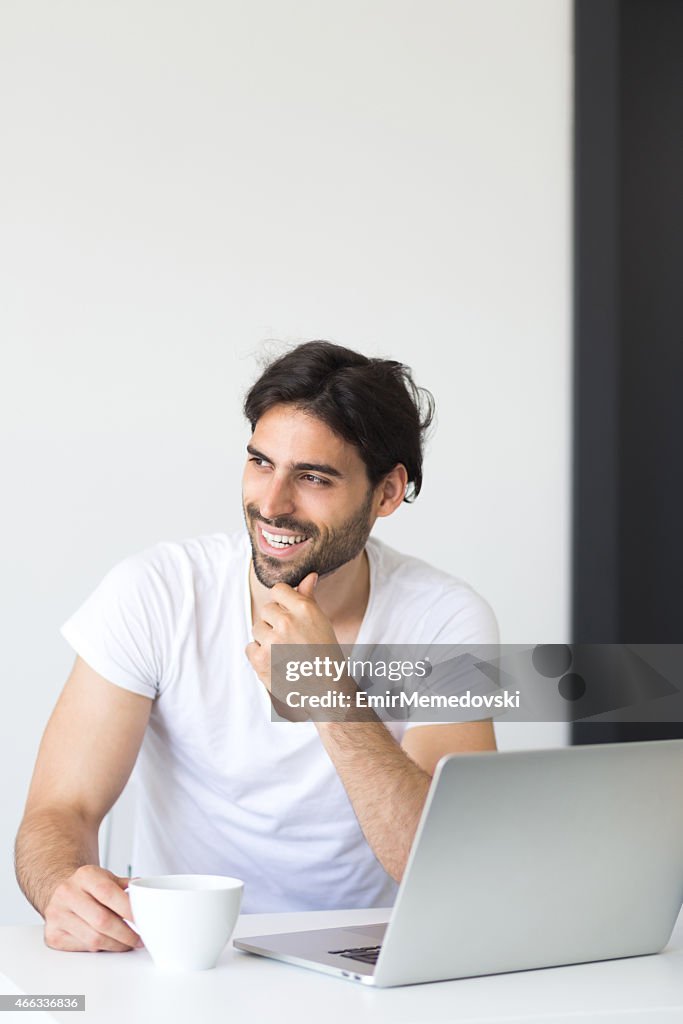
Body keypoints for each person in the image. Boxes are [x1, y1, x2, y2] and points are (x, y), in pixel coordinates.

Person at [15, 340, 498, 953]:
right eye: (261, 463)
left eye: (314, 477)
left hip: (367, 958)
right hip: (186, 956)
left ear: (386, 493)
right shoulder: (156, 592)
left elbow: (450, 866)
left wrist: (329, 694)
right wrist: (65, 887)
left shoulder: (444, 619)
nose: (271, 504)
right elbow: (61, 808)